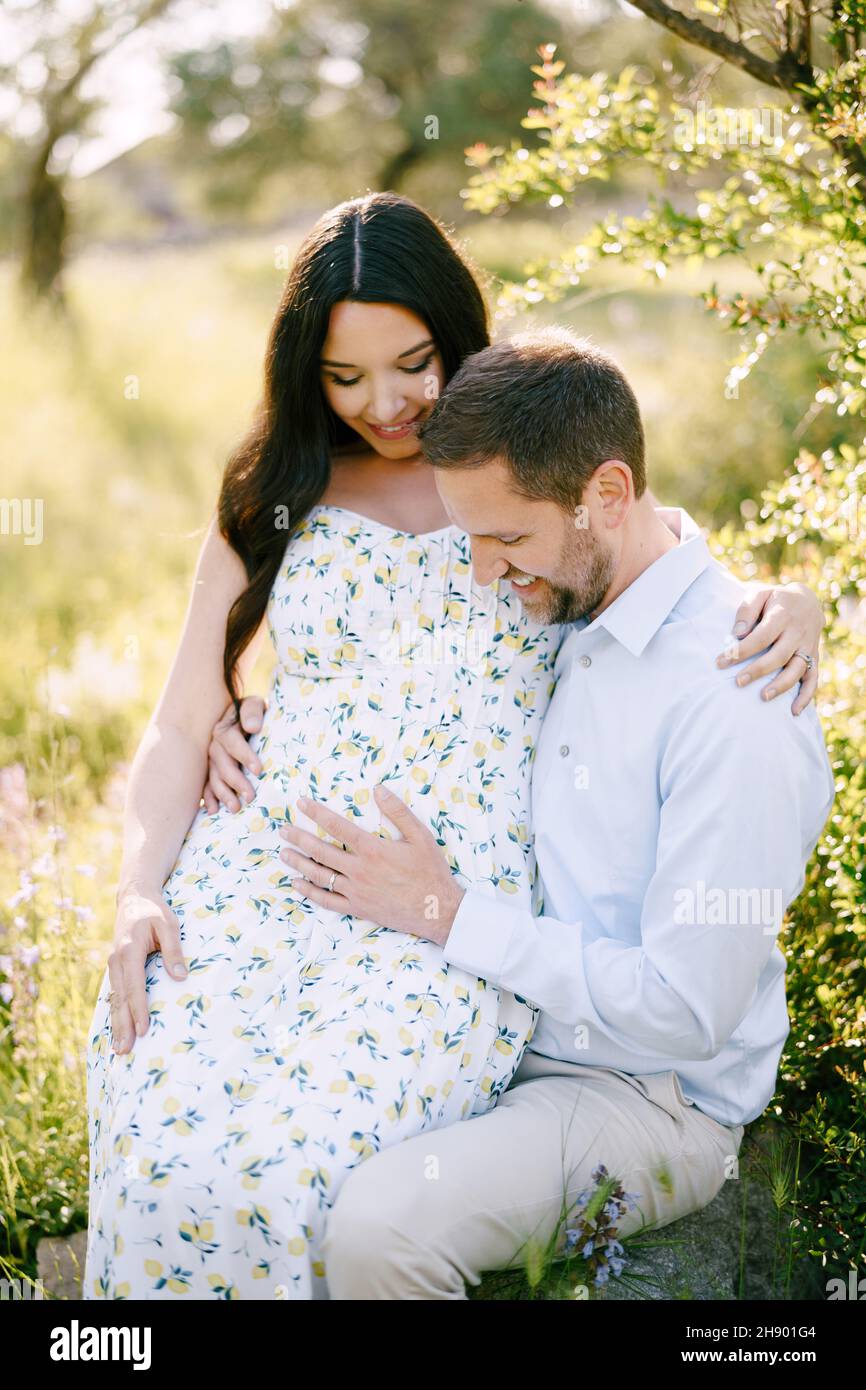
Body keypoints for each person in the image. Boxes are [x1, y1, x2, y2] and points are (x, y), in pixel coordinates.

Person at [85, 193, 823, 1302]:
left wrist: (793, 601)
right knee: (159, 1123)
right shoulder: (275, 494)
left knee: (291, 1173)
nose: (384, 403)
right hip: (261, 878)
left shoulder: (516, 462)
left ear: (456, 329)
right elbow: (182, 717)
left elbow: (640, 552)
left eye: (413, 361)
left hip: (441, 911)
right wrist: (140, 886)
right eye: (342, 377)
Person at [272, 328, 836, 1300]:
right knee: (258, 1162)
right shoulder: (565, 590)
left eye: (506, 540)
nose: (484, 574)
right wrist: (241, 707)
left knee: (377, 1228)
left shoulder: (733, 700)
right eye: (471, 538)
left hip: (640, 1094)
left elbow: (685, 1010)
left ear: (606, 496)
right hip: (489, 1024)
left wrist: (448, 918)